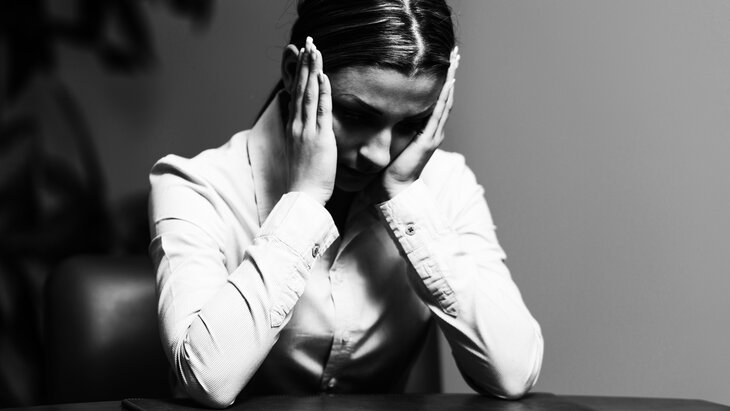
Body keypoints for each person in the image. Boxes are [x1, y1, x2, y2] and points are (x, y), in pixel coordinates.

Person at [148, 0, 544, 408]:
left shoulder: (446, 184)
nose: (379, 154)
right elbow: (208, 379)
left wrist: (404, 198)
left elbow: (513, 373)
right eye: (355, 115)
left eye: (412, 124)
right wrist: (304, 202)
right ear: (294, 73)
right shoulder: (197, 186)